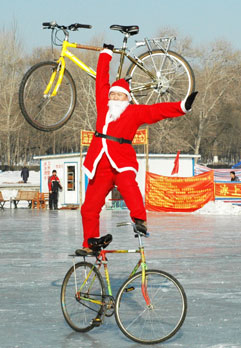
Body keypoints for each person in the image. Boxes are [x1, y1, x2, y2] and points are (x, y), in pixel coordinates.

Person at [76, 44, 198, 255]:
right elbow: (101, 81)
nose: (114, 97)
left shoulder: (133, 112)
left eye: (119, 95)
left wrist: (181, 106)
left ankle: (140, 220)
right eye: (112, 95)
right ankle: (90, 244)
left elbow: (156, 111)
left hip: (121, 161)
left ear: (127, 98)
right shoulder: (103, 107)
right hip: (100, 164)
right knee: (89, 207)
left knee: (129, 187)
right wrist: (105, 55)